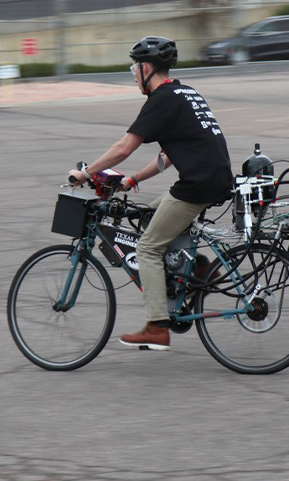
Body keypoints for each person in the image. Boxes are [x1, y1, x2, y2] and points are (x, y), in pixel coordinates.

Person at [68, 36, 233, 351]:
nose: (132, 74)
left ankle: (157, 326)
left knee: (147, 248)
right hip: (213, 178)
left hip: (197, 184)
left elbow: (124, 147)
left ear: (146, 67)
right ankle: (197, 266)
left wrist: (86, 173)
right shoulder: (184, 92)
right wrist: (132, 181)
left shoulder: (161, 99)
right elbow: (169, 155)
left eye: (133, 67)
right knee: (147, 218)